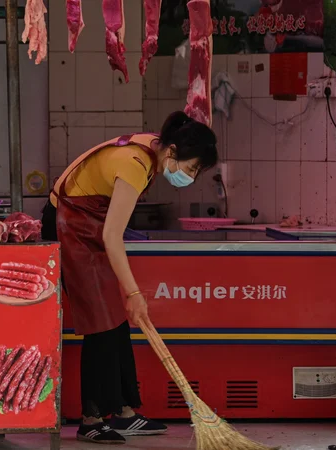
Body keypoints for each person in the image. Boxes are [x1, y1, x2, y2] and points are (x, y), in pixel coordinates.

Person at [41, 111, 218, 444]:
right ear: (175, 151)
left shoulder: (152, 148)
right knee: (100, 322)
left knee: (114, 320)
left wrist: (130, 296)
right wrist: (134, 293)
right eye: (192, 168)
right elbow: (112, 236)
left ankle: (123, 412)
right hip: (69, 226)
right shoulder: (136, 164)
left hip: (86, 226)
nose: (190, 177)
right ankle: (91, 420)